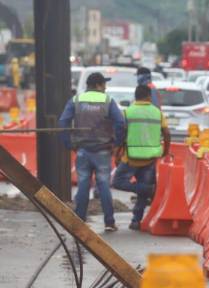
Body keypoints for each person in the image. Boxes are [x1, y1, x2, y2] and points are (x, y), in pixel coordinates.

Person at [58, 72, 125, 232]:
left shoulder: (76, 100)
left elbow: (63, 122)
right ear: (98, 85)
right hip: (102, 151)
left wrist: (69, 144)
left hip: (82, 150)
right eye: (104, 84)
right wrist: (117, 143)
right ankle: (109, 222)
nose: (105, 87)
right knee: (103, 185)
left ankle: (79, 220)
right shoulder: (108, 101)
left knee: (83, 184)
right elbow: (120, 123)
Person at [112, 84, 171, 230]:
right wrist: (165, 150)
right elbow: (167, 133)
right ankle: (136, 220)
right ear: (149, 97)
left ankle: (144, 191)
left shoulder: (128, 112)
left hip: (131, 157)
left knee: (117, 181)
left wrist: (117, 152)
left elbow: (121, 135)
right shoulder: (157, 113)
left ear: (135, 97)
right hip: (150, 158)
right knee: (144, 191)